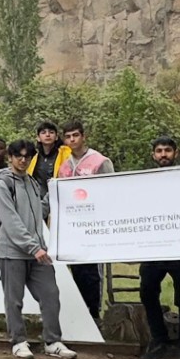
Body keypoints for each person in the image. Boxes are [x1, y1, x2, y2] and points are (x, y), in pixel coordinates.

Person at [0, 139, 79, 359]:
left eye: (27, 156)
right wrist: (33, 247)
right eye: (18, 156)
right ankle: (18, 342)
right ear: (10, 158)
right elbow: (11, 222)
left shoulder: (31, 183)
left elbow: (38, 212)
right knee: (14, 300)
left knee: (50, 294)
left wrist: (57, 191)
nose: (23, 160)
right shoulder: (3, 185)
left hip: (37, 251)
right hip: (12, 253)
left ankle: (52, 341)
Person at [137, 137, 180, 359]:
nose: (164, 155)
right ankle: (159, 340)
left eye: (168, 151)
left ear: (176, 153)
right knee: (147, 293)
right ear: (153, 155)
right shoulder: (144, 181)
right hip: (154, 249)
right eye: (159, 151)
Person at [53, 119, 114, 319]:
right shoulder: (64, 167)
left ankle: (94, 314)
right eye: (68, 136)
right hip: (73, 227)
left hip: (94, 225)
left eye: (76, 135)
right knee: (76, 270)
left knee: (93, 272)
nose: (72, 140)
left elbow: (110, 192)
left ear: (83, 136)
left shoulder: (99, 161)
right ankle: (80, 315)